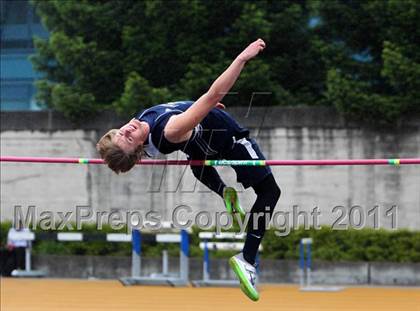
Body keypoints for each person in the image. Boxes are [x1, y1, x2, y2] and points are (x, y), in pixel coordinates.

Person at [97, 39, 280, 301]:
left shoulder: (141, 123)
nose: (126, 129)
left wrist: (199, 111)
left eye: (119, 132)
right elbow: (213, 94)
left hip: (200, 141)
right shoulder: (167, 131)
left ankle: (222, 190)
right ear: (138, 148)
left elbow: (181, 107)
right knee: (270, 192)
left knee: (196, 162)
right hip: (228, 139)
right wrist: (242, 59)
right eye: (126, 139)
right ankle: (247, 259)